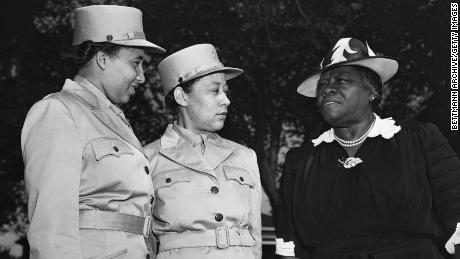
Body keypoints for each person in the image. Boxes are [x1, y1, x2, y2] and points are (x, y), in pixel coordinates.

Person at [275, 37, 460, 258]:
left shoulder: (419, 140)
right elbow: (290, 247)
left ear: (372, 91)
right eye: (323, 84)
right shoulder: (301, 161)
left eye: (342, 80)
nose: (328, 89)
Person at [21, 5, 165, 259]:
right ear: (103, 59)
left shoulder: (115, 119)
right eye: (136, 63)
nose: (141, 77)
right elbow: (51, 225)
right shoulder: (58, 111)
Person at [144, 44, 262, 259]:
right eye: (214, 90)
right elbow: (143, 243)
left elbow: (255, 238)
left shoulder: (245, 156)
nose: (226, 100)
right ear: (182, 96)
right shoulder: (147, 159)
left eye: (225, 91)